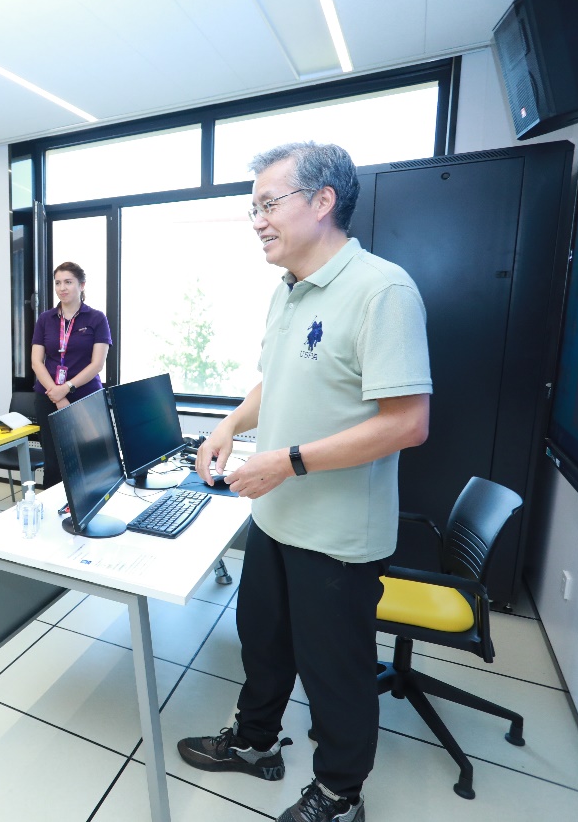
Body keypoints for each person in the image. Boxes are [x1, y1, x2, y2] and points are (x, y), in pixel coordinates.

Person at [177, 142, 431, 822]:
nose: (257, 220)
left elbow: (407, 424)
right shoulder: (287, 289)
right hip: (276, 517)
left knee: (334, 673)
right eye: (252, 207)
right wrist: (228, 425)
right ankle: (255, 741)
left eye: (269, 204)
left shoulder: (381, 290)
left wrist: (287, 460)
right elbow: (277, 379)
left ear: (322, 201)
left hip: (338, 535)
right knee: (261, 644)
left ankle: (340, 795)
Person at [30, 261, 111, 487]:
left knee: (89, 457)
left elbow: (97, 364)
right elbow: (36, 362)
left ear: (81, 285)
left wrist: (66, 388)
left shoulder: (96, 318)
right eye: (58, 283)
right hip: (48, 397)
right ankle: (53, 506)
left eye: (68, 282)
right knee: (54, 460)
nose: (62, 288)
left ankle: (88, 505)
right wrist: (56, 395)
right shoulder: (45, 319)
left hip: (85, 396)